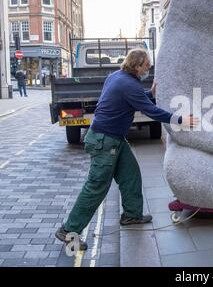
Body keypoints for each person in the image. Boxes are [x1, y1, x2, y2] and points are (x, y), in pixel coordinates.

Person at [55, 48, 199, 251]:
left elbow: (133, 98)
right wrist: (181, 119)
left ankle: (132, 215)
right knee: (96, 188)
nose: (148, 69)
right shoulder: (129, 83)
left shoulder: (116, 76)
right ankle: (69, 230)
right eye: (146, 65)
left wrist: (150, 93)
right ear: (137, 65)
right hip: (104, 141)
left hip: (113, 139)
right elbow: (151, 111)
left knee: (131, 175)